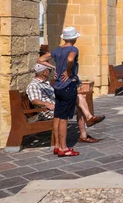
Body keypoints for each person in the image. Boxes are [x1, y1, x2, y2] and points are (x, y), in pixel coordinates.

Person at [27, 63, 104, 153]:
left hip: (58, 107)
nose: (50, 72)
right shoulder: (34, 85)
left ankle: (85, 129)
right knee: (79, 102)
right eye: (50, 70)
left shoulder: (46, 83)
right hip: (49, 112)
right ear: (44, 72)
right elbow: (34, 100)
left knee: (79, 99)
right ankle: (88, 121)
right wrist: (47, 104)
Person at [37, 26, 86, 157]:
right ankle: (64, 148)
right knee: (64, 118)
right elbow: (70, 59)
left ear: (64, 38)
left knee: (58, 116)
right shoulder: (73, 49)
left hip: (58, 86)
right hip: (68, 85)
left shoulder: (57, 50)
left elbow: (40, 59)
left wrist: (54, 66)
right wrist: (68, 71)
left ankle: (57, 145)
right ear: (74, 38)